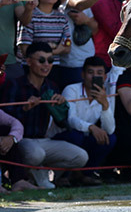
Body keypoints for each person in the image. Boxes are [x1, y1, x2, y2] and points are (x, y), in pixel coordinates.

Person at [2, 42, 88, 188]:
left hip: (43, 141)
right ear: (28, 61)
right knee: (36, 154)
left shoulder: (52, 86)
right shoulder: (14, 85)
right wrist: (24, 109)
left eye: (50, 60)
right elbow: (4, 121)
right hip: (20, 142)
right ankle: (30, 176)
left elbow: (63, 124)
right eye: (41, 60)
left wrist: (61, 108)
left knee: (81, 156)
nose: (46, 64)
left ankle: (41, 176)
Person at [50, 56, 115, 186]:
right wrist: (91, 127)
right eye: (90, 73)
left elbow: (110, 129)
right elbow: (71, 120)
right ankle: (63, 175)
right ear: (83, 75)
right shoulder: (72, 89)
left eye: (99, 73)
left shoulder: (105, 95)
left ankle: (85, 174)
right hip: (63, 135)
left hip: (83, 136)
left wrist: (105, 105)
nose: (94, 77)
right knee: (76, 136)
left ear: (105, 77)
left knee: (110, 138)